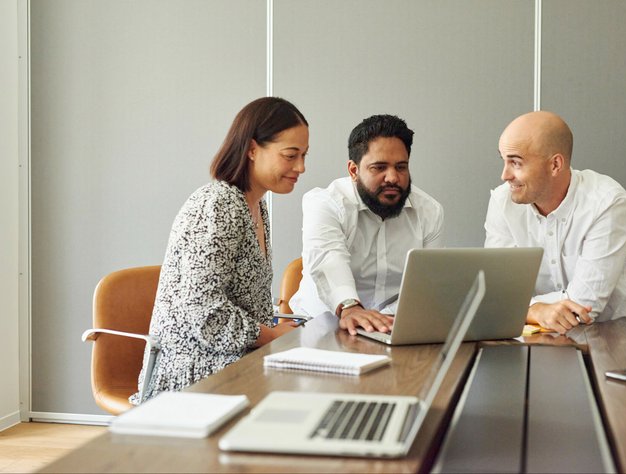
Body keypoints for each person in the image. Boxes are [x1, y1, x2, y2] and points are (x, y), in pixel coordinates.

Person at [131, 97, 309, 403]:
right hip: (193, 372)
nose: (301, 167)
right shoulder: (217, 205)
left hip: (233, 359)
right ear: (253, 149)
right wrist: (273, 336)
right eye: (290, 155)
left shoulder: (255, 206)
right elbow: (205, 312)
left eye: (304, 155)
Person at [485, 110, 626, 334]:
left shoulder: (607, 201)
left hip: (614, 336)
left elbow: (584, 306)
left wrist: (523, 309)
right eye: (503, 160)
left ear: (555, 165)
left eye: (516, 163)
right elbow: (495, 295)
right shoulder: (502, 201)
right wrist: (535, 311)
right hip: (540, 335)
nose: (505, 175)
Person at [289, 114, 444, 335]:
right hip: (321, 329)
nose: (392, 177)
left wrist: (384, 321)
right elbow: (328, 258)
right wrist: (350, 306)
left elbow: (425, 286)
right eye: (379, 168)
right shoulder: (325, 203)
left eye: (401, 167)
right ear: (353, 170)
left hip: (392, 329)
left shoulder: (429, 212)